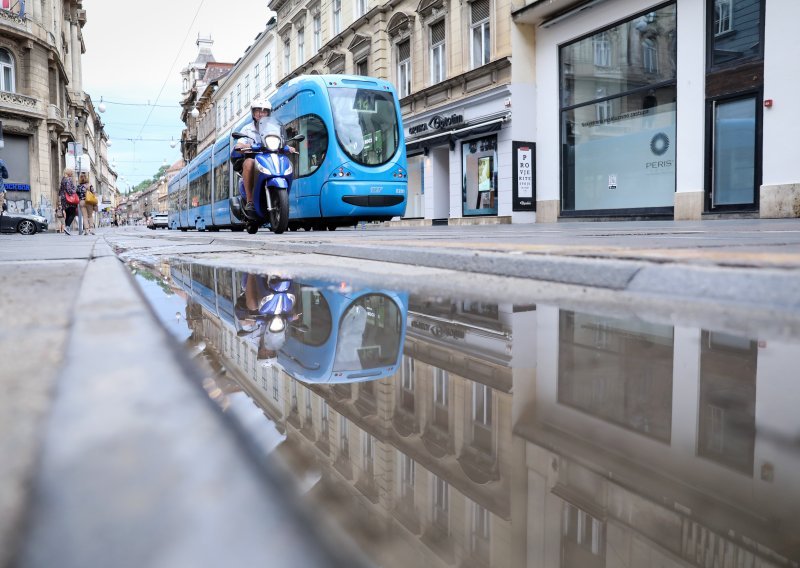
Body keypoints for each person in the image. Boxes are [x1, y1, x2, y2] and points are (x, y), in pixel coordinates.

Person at [233, 98, 296, 219]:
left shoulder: (274, 128)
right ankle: (250, 201)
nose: (261, 114)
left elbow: (279, 140)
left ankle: (282, 199)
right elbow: (239, 144)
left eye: (264, 111)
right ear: (253, 113)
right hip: (253, 157)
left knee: (284, 161)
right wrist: (244, 146)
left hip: (269, 157)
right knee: (248, 163)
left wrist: (288, 147)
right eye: (258, 111)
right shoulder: (247, 129)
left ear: (269, 113)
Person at [59, 168, 78, 236]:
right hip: (69, 198)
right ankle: (67, 227)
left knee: (67, 213)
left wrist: (61, 196)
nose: (72, 173)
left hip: (63, 198)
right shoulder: (69, 179)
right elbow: (69, 189)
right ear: (69, 173)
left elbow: (60, 189)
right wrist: (74, 191)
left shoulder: (63, 179)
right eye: (71, 172)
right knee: (72, 213)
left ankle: (67, 229)